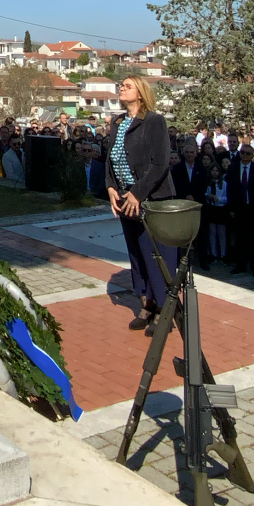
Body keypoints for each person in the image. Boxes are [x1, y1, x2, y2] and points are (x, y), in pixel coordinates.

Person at [105, 76, 176, 335]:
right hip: (126, 199)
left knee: (154, 254)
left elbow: (160, 164)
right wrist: (111, 187)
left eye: (128, 85)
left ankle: (163, 309)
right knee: (136, 254)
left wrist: (138, 193)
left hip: (151, 200)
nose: (121, 88)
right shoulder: (118, 123)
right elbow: (110, 159)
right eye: (121, 85)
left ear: (141, 93)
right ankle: (146, 301)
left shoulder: (154, 122)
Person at [226, 144, 254, 277]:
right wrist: (231, 208)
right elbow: (230, 189)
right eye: (243, 153)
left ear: (252, 156)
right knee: (241, 239)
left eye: (248, 153)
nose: (245, 156)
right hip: (240, 208)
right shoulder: (233, 168)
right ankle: (241, 265)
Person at [205, 163, 230, 263]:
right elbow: (205, 193)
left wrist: (218, 198)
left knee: (221, 232)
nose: (214, 173)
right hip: (211, 208)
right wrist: (208, 196)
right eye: (213, 170)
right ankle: (213, 254)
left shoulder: (223, 183)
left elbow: (227, 198)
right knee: (212, 231)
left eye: (216, 171)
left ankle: (223, 254)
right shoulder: (208, 183)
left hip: (221, 209)